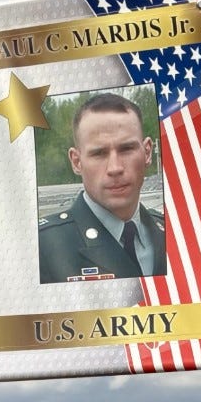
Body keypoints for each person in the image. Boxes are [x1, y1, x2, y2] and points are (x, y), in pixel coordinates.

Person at [38, 93, 166, 284]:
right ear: (76, 162)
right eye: (99, 153)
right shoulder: (43, 248)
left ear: (147, 152)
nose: (115, 168)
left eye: (126, 149)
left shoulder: (173, 233)